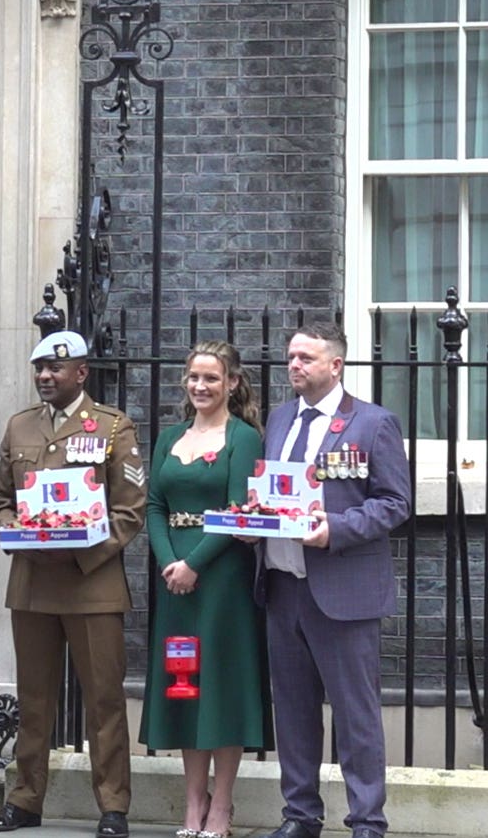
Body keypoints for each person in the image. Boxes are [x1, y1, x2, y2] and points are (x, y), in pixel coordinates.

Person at [0, 330, 147, 838]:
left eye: (56, 369)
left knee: (103, 700)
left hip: (91, 585)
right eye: (40, 370)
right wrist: (18, 531)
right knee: (33, 699)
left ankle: (113, 807)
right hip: (32, 583)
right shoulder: (19, 427)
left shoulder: (113, 428)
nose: (45, 377)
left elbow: (130, 511)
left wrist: (79, 549)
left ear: (81, 373)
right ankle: (26, 801)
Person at [255, 322, 410, 838]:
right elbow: (274, 492)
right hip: (282, 586)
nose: (294, 365)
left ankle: (367, 821)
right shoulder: (279, 419)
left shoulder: (372, 423)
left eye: (306, 358)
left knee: (355, 715)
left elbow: (395, 503)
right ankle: (300, 816)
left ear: (335, 365)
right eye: (291, 357)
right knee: (294, 713)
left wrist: (336, 529)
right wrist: (252, 522)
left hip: (343, 591)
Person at [138, 340, 273, 838]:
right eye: (194, 377)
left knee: (221, 685)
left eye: (212, 378)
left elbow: (239, 509)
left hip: (222, 580)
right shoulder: (170, 436)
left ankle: (222, 807)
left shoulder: (244, 438)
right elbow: (154, 504)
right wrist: (169, 560)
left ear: (232, 383)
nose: (200, 386)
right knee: (184, 684)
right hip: (176, 582)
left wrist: (194, 563)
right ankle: (192, 805)